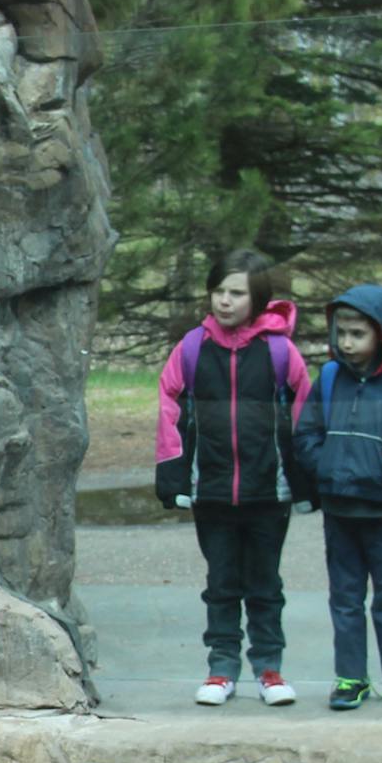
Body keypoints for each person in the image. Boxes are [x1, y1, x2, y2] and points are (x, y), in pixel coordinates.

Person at [154, 250, 313, 706]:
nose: (225, 300)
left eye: (236, 292)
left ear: (257, 297)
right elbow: (170, 409)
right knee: (222, 583)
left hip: (269, 493)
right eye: (219, 290)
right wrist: (174, 476)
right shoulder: (190, 348)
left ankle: (269, 668)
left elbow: (302, 416)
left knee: (265, 584)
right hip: (213, 493)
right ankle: (221, 668)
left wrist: (305, 482)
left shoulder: (281, 351)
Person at [292, 284, 382, 709]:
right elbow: (306, 433)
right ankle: (350, 678)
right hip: (340, 511)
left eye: (358, 333)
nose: (346, 342)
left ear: (381, 335)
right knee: (345, 598)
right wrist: (325, 466)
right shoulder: (330, 378)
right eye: (341, 332)